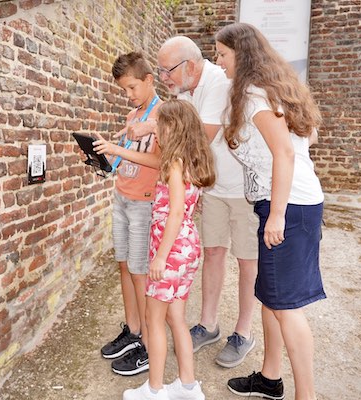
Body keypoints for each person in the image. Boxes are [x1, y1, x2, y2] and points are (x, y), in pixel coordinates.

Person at [215, 22, 326, 400]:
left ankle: (305, 396)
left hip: (288, 208)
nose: (219, 61)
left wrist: (276, 214)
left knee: (288, 307)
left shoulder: (254, 94)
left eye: (222, 54)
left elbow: (284, 151)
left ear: (241, 55)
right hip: (296, 203)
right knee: (273, 297)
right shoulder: (276, 89)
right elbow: (308, 135)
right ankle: (270, 377)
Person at [157, 36, 259, 368]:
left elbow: (203, 135)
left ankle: (243, 331)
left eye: (166, 71)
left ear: (189, 64)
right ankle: (209, 324)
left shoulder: (216, 81)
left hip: (243, 187)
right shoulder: (185, 91)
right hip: (214, 188)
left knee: (247, 261)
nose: (164, 78)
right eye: (159, 72)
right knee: (213, 253)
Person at [122, 99, 215, 400]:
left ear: (172, 128)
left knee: (155, 319)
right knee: (176, 318)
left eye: (160, 125)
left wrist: (160, 257)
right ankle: (188, 386)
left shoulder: (175, 164)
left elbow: (175, 212)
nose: (155, 130)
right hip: (187, 247)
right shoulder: (188, 160)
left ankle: (154, 390)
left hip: (171, 251)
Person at [98, 52, 162, 377]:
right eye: (125, 90)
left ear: (149, 80)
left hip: (143, 204)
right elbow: (127, 159)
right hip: (122, 197)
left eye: (133, 87)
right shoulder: (132, 114)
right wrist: (106, 159)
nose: (129, 95)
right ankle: (134, 331)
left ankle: (150, 348)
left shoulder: (163, 114)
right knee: (124, 265)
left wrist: (118, 149)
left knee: (140, 273)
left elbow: (162, 163)